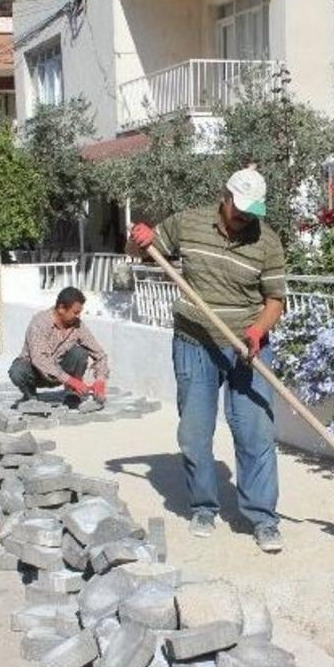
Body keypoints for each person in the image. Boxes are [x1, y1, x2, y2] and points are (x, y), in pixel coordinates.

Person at [128, 167, 287, 553]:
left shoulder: (267, 242)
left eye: (254, 210)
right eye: (241, 208)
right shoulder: (188, 223)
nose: (246, 217)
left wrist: (256, 331)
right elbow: (139, 252)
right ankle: (203, 507)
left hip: (246, 348)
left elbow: (275, 301)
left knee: (256, 433)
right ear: (225, 196)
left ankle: (263, 517)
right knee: (195, 434)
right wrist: (141, 239)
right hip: (194, 342)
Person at [9, 286, 109, 405]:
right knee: (17, 370)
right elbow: (40, 360)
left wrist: (100, 380)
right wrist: (71, 380)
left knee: (79, 353)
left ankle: (73, 394)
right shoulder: (39, 323)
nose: (79, 316)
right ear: (61, 308)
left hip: (61, 372)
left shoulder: (77, 325)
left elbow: (100, 354)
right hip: (36, 373)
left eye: (80, 313)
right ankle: (30, 396)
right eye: (75, 312)